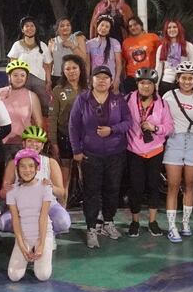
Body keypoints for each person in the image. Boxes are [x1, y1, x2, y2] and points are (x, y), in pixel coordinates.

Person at [69, 65, 131, 249]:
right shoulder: (83, 99)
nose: (102, 80)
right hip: (90, 154)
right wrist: (76, 151)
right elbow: (74, 126)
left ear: (111, 81)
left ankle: (108, 222)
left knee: (112, 189)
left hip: (115, 153)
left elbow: (128, 122)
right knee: (91, 192)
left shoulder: (118, 100)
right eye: (98, 77)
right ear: (91, 80)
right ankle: (91, 228)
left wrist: (112, 130)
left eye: (106, 77)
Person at [162, 61, 193, 243]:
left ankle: (185, 223)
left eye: (190, 78)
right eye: (184, 78)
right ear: (178, 79)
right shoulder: (168, 96)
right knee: (173, 185)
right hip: (174, 140)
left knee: (189, 185)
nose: (187, 81)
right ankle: (172, 226)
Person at [125, 67, 174, 238]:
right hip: (134, 150)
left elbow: (169, 128)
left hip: (155, 151)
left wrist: (155, 128)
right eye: (142, 83)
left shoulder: (162, 104)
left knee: (154, 187)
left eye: (149, 83)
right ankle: (135, 221)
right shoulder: (128, 100)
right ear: (137, 84)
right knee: (136, 188)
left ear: (155, 85)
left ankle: (153, 221)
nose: (146, 87)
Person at [0, 126, 71, 237]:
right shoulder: (13, 164)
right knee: (2, 223)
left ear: (42, 145)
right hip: (21, 207)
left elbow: (61, 192)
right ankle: (24, 235)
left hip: (47, 206)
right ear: (23, 144)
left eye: (37, 142)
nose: (33, 144)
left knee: (63, 222)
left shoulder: (50, 163)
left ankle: (48, 234)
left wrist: (52, 187)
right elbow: (3, 193)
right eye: (30, 141)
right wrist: (8, 189)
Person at [6, 149, 55, 282]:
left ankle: (47, 247)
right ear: (17, 169)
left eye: (31, 166)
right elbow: (15, 220)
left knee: (43, 275)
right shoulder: (12, 191)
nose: (27, 170)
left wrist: (41, 244)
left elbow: (43, 217)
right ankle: (27, 252)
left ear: (37, 168)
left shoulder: (45, 187)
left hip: (43, 234)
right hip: (24, 235)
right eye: (22, 166)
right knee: (14, 276)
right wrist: (21, 245)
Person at [48, 54, 86, 197]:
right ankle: (62, 209)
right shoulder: (58, 90)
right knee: (64, 177)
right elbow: (52, 118)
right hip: (65, 137)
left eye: (74, 68)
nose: (71, 71)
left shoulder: (89, 88)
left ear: (80, 69)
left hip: (86, 139)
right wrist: (53, 142)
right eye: (67, 69)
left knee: (89, 177)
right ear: (63, 71)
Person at [0, 59, 44, 161]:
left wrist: (36, 143)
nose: (19, 78)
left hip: (22, 144)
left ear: (26, 78)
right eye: (15, 75)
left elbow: (39, 123)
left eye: (22, 75)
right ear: (9, 77)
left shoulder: (31, 96)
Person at [7, 16, 53, 109]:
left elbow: (47, 65)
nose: (29, 28)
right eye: (26, 26)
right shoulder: (17, 45)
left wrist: (48, 81)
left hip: (39, 80)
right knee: (23, 104)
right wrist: (11, 80)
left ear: (36, 28)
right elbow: (12, 65)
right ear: (22, 30)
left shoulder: (42, 46)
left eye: (32, 26)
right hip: (22, 80)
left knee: (45, 104)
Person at [120, 16, 161, 94]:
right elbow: (124, 61)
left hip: (149, 76)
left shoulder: (153, 37)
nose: (133, 27)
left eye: (135, 25)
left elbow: (161, 55)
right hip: (132, 77)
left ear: (141, 25)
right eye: (130, 26)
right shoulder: (126, 42)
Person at [156, 19, 193, 95]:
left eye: (174, 27)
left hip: (184, 83)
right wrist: (156, 87)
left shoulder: (188, 46)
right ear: (166, 30)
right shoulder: (162, 48)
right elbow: (158, 68)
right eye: (169, 28)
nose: (172, 29)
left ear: (179, 29)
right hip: (166, 83)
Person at [86, 14, 123, 91]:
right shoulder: (89, 44)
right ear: (97, 26)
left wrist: (117, 79)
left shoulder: (115, 43)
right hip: (95, 80)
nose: (103, 28)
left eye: (107, 27)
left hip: (110, 80)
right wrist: (88, 79)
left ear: (110, 30)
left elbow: (119, 63)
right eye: (102, 25)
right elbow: (88, 64)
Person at [48, 18, 86, 87]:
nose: (65, 27)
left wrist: (72, 46)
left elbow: (84, 58)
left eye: (68, 25)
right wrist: (48, 80)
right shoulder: (52, 41)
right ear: (57, 29)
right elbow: (49, 63)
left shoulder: (78, 38)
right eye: (62, 26)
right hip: (57, 77)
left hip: (75, 76)